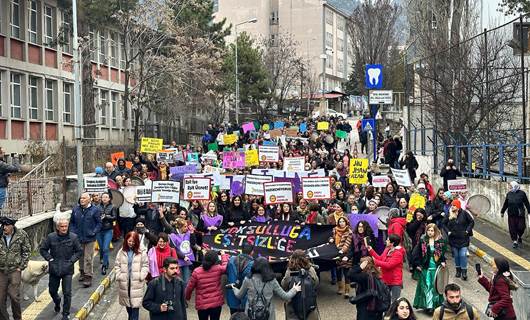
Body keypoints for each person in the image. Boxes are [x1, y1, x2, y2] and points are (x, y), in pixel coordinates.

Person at [230, 257, 301, 320]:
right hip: (268, 315)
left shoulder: (248, 279)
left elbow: (239, 295)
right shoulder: (272, 281)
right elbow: (285, 297)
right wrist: (294, 289)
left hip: (251, 315)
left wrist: (234, 288)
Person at [39, 218, 82, 320]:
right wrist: (50, 259)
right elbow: (43, 249)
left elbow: (79, 251)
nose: (64, 228)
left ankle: (65, 313)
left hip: (67, 269)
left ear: (68, 226)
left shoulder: (73, 237)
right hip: (54, 268)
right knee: (52, 291)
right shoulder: (51, 237)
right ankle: (57, 301)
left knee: (67, 292)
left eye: (65, 226)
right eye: (61, 226)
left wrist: (71, 261)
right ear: (58, 227)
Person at [411, 223, 447, 313]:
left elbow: (442, 254)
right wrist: (418, 264)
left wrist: (443, 261)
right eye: (428, 230)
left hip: (436, 268)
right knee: (426, 286)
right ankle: (429, 306)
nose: (430, 232)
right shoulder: (423, 240)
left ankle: (435, 306)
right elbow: (416, 253)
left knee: (435, 287)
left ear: (435, 231)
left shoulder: (440, 241)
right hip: (426, 268)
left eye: (432, 230)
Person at [0, 217, 30, 320]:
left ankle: (17, 318)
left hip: (14, 270)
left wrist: (21, 267)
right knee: (0, 299)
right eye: (3, 225)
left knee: (14, 297)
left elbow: (26, 251)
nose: (4, 227)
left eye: (7, 225)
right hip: (1, 270)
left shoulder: (21, 234)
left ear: (12, 225)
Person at [70, 192, 102, 287]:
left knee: (88, 257)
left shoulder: (95, 210)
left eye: (84, 198)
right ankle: (82, 272)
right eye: (81, 198)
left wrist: (93, 231)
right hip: (78, 237)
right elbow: (72, 222)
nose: (81, 200)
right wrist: (73, 232)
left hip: (90, 238)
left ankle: (88, 276)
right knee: (80, 256)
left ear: (89, 199)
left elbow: (99, 223)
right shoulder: (76, 209)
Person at [185, 250, 229, 320]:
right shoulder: (218, 268)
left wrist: (187, 297)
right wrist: (223, 255)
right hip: (216, 303)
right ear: (215, 260)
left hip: (202, 305)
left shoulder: (196, 271)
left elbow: (189, 287)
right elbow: (226, 266)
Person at [115, 231, 148, 320]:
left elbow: (145, 265)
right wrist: (119, 275)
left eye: (133, 241)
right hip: (125, 282)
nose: (131, 243)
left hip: (136, 282)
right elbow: (117, 265)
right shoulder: (121, 251)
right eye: (129, 241)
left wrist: (141, 276)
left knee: (135, 307)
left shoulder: (141, 252)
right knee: (128, 305)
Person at [281, 250, 320, 320]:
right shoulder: (310, 269)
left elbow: (284, 285)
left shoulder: (290, 270)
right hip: (309, 305)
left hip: (292, 305)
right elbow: (316, 283)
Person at [367, 233, 405, 302]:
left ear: (392, 243)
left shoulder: (398, 254)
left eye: (387, 240)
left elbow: (389, 265)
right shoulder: (387, 249)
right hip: (386, 279)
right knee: (385, 300)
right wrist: (371, 250)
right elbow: (380, 258)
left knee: (395, 302)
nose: (386, 241)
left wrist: (375, 262)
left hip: (395, 281)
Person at [443, 199, 474, 280]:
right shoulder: (449, 214)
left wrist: (467, 231)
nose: (452, 207)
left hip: (464, 238)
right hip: (453, 239)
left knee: (462, 255)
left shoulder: (464, 213)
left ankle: (464, 272)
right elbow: (443, 223)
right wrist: (448, 231)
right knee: (456, 255)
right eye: (451, 205)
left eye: (454, 205)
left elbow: (471, 222)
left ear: (458, 206)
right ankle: (458, 270)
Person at [500, 181, 530, 248]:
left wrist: (529, 211)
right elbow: (506, 204)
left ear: (514, 185)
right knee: (512, 228)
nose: (509, 187)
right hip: (511, 214)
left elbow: (527, 203)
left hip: (520, 214)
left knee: (521, 227)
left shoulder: (522, 193)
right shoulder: (509, 194)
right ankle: (515, 241)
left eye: (510, 185)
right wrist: (502, 211)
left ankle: (519, 236)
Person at [226, 244, 254, 315]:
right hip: (245, 298)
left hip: (232, 295)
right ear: (252, 252)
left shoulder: (231, 260)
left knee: (234, 316)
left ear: (241, 251)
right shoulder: (253, 264)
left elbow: (227, 272)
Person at [329, 216, 353, 297]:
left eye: (343, 221)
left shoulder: (349, 232)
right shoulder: (335, 230)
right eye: (340, 222)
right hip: (336, 254)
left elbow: (347, 244)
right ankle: (340, 288)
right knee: (338, 272)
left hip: (346, 255)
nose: (341, 223)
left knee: (346, 273)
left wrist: (342, 251)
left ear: (346, 222)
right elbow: (331, 237)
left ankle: (347, 290)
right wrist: (331, 239)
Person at [97, 192, 116, 275]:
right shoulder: (97, 207)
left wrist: (106, 217)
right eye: (103, 197)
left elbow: (115, 217)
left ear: (109, 199)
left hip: (108, 229)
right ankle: (104, 259)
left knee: (105, 248)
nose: (104, 198)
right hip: (99, 230)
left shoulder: (113, 207)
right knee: (101, 248)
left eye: (106, 197)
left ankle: (104, 266)